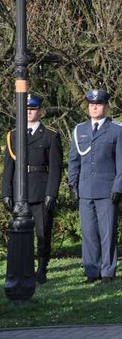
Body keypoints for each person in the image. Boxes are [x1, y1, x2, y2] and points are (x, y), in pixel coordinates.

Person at [68, 89, 122, 284]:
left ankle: (108, 272)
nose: (94, 107)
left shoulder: (117, 130)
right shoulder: (80, 130)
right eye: (91, 104)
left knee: (107, 232)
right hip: (85, 190)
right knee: (88, 233)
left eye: (99, 104)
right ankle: (91, 270)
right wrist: (73, 184)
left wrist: (118, 188)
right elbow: (74, 160)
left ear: (106, 107)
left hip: (107, 190)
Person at [2, 94, 63, 284]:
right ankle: (24, 267)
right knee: (20, 232)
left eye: (33, 108)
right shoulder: (14, 135)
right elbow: (9, 169)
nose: (29, 111)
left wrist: (51, 192)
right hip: (20, 192)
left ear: (41, 112)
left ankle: (42, 269)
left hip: (40, 190)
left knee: (43, 232)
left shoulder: (50, 135)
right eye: (26, 109)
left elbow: (55, 168)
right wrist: (5, 192)